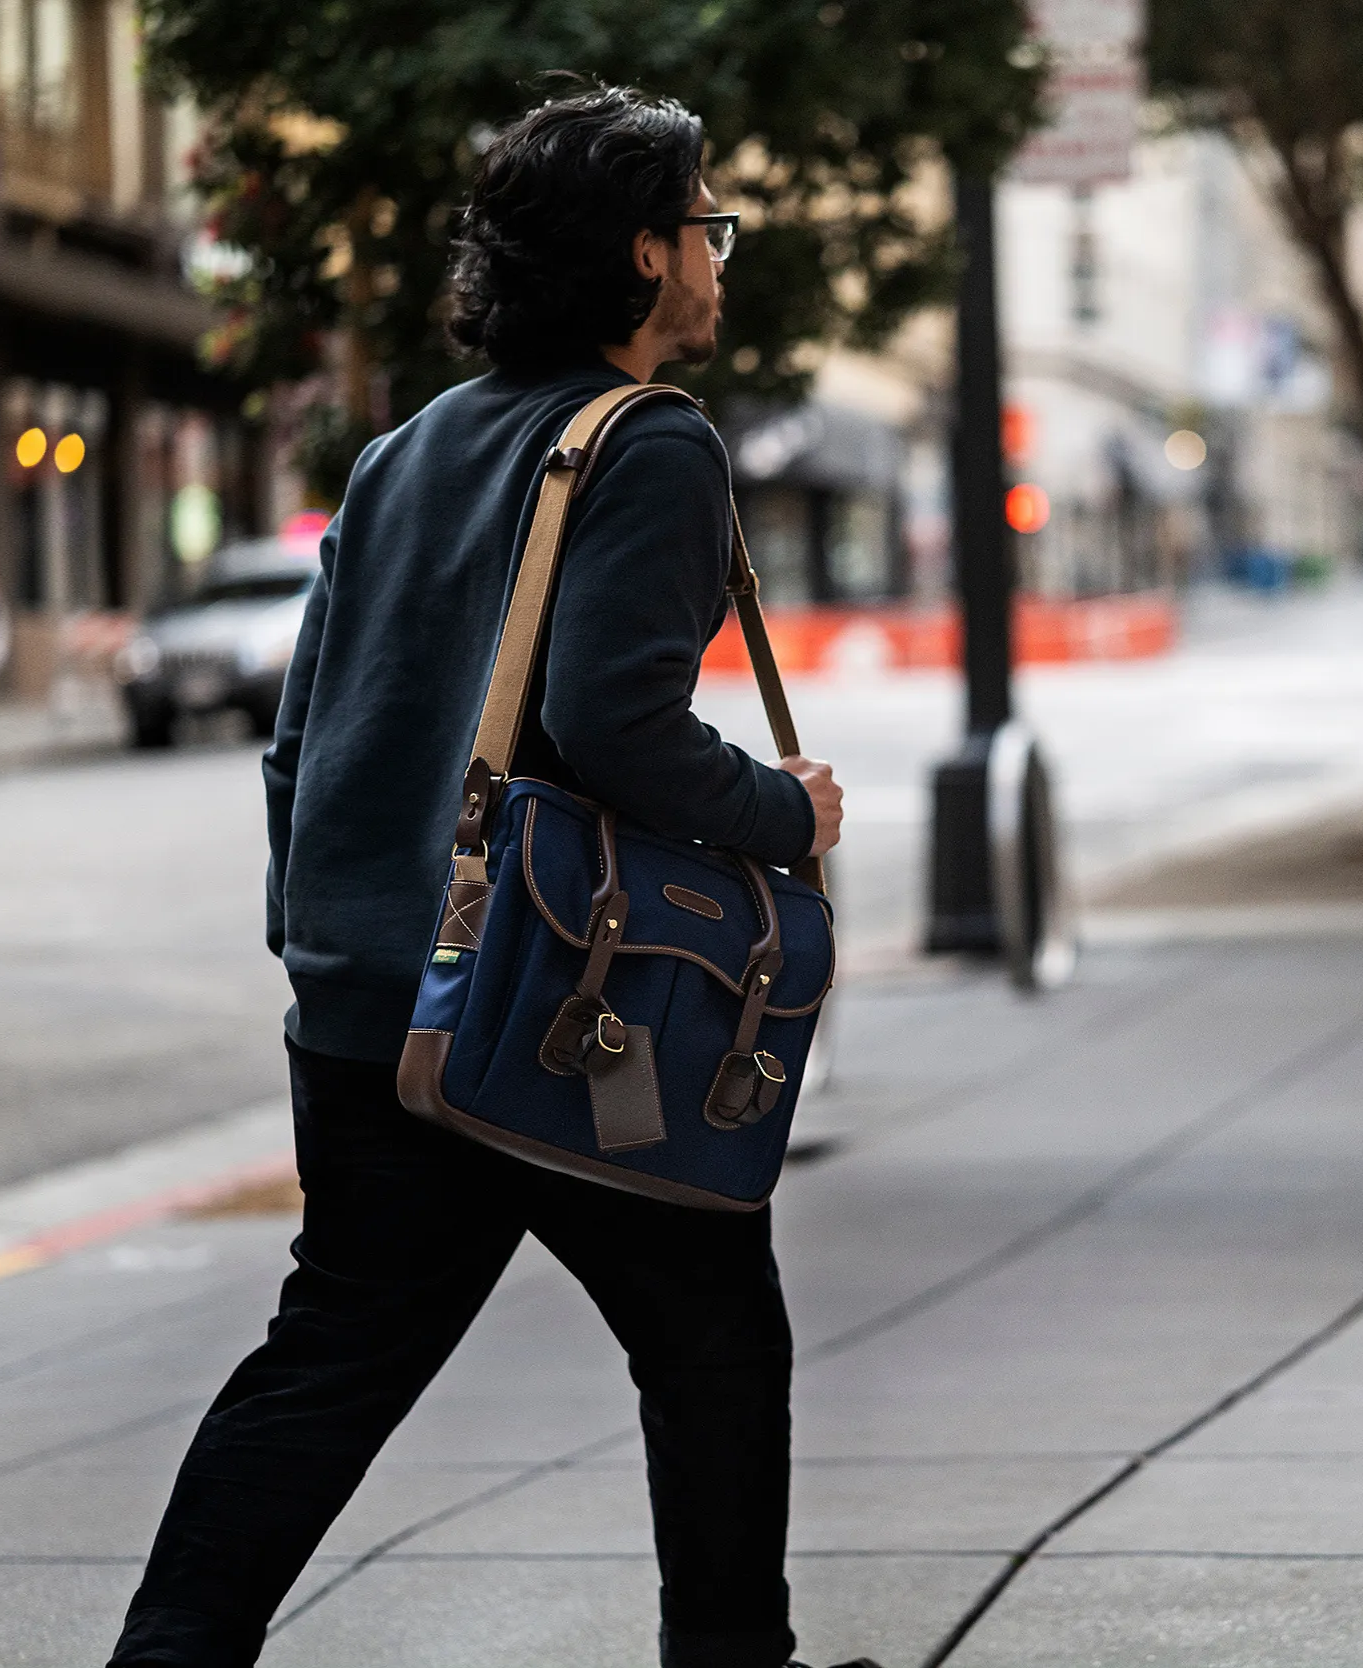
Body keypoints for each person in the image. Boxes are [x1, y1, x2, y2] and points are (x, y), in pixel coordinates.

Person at [108, 84, 860, 1668]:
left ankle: (166, 1656)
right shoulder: (651, 445)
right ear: (646, 256)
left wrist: (328, 948)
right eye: (705, 224)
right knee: (715, 1338)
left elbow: (299, 743)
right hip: (548, 1000)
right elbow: (616, 725)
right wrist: (787, 814)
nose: (720, 256)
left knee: (330, 1357)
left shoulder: (402, 451)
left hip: (372, 1005)